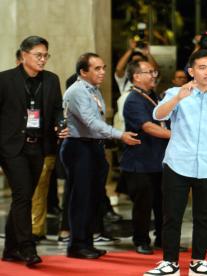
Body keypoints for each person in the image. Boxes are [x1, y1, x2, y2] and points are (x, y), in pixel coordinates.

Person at [145, 49, 207, 276]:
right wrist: (177, 99)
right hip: (177, 164)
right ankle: (169, 263)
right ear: (192, 71)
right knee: (172, 216)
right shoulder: (176, 92)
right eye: (202, 67)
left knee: (204, 217)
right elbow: (158, 115)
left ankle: (198, 262)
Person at [61, 52, 140, 259]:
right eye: (97, 68)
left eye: (103, 67)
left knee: (92, 198)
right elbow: (91, 122)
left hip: (93, 147)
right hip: (78, 147)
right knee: (81, 198)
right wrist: (119, 135)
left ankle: (87, 242)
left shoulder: (93, 90)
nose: (103, 72)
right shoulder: (78, 91)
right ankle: (76, 245)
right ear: (83, 72)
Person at [0, 36, 65, 267]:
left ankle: (10, 250)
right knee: (22, 195)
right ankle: (28, 249)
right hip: (11, 147)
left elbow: (58, 108)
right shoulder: (5, 79)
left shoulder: (51, 80)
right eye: (38, 55)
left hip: (38, 145)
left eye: (46, 55)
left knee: (23, 196)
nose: (43, 59)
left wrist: (60, 124)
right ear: (23, 55)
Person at [120, 60, 170, 255]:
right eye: (149, 72)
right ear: (136, 76)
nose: (153, 76)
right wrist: (176, 136)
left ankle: (162, 237)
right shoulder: (133, 99)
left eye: (154, 72)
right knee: (143, 205)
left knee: (162, 203)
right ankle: (140, 239)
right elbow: (147, 127)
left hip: (158, 159)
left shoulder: (153, 96)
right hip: (140, 161)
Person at [113, 39, 158, 132]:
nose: (153, 75)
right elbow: (118, 68)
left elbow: (155, 69)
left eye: (140, 61)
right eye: (134, 62)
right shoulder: (126, 81)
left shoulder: (151, 81)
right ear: (136, 76)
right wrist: (130, 49)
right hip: (125, 126)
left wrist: (148, 53)